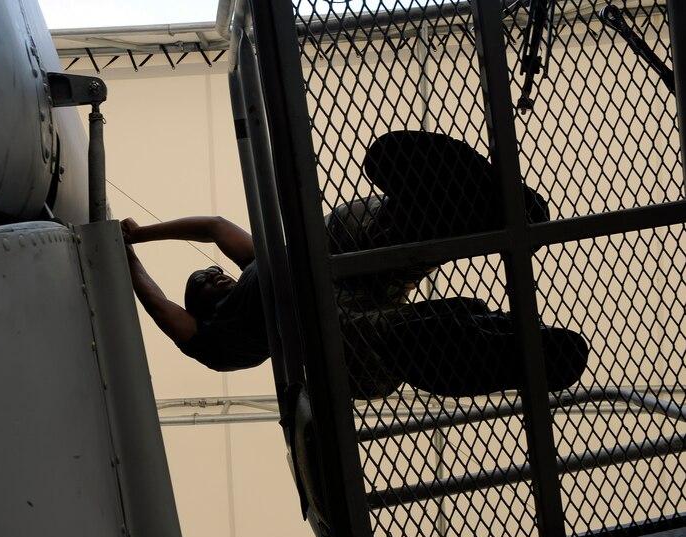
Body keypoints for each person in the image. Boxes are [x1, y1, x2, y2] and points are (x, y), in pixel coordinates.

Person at [122, 130, 589, 398]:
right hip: (339, 335)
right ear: (201, 308)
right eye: (203, 281)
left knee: (340, 229)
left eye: (212, 271)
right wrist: (130, 261)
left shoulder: (253, 267)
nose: (214, 274)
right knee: (369, 329)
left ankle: (446, 216)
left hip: (338, 270)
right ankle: (473, 341)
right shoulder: (218, 342)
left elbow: (216, 227)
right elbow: (164, 310)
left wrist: (144, 233)